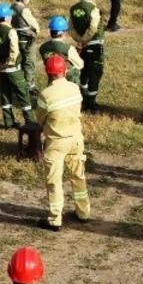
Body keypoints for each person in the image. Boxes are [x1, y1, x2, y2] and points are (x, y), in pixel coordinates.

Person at [36, 55, 90, 232]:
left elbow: (40, 119)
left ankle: (55, 219)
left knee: (54, 181)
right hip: (75, 139)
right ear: (65, 70)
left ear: (48, 73)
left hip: (56, 142)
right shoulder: (74, 88)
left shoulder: (45, 95)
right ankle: (83, 212)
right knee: (78, 176)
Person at [0, 3, 34, 129]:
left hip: (0, 70)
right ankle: (30, 122)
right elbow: (14, 51)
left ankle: (8, 122)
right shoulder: (11, 31)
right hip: (13, 70)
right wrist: (9, 64)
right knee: (23, 94)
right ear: (8, 17)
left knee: (5, 95)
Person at [69, 0, 105, 112]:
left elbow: (71, 28)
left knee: (83, 72)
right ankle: (91, 103)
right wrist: (85, 39)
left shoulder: (73, 8)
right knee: (95, 73)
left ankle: (82, 97)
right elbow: (93, 28)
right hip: (94, 44)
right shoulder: (94, 9)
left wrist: (79, 40)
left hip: (82, 45)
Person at [11, 0, 40, 93]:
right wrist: (36, 32)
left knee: (19, 62)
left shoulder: (12, 8)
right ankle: (29, 86)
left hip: (16, 40)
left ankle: (17, 83)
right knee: (29, 63)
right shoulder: (24, 10)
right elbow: (35, 25)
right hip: (27, 40)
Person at [39, 16, 83, 86]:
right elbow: (80, 64)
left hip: (52, 80)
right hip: (69, 81)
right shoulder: (68, 49)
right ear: (63, 33)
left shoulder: (42, 48)